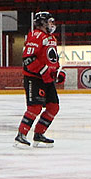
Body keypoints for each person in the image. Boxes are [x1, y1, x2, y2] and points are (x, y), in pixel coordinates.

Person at [17, 10, 63, 146]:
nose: (52, 24)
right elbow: (28, 59)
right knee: (35, 108)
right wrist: (44, 71)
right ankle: (21, 135)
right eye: (49, 22)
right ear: (42, 23)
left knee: (53, 107)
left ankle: (39, 134)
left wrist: (57, 73)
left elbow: (52, 59)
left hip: (47, 79)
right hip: (35, 78)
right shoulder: (36, 36)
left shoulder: (51, 39)